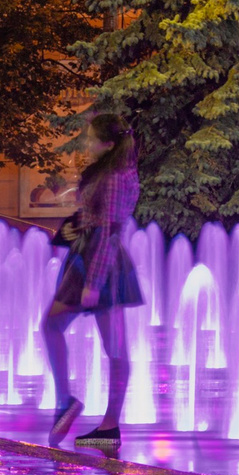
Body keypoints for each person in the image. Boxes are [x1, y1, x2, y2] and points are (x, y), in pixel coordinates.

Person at [41, 114, 145, 448]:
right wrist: (72, 228)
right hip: (90, 258)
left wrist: (94, 283)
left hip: (100, 263)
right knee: (53, 326)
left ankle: (105, 423)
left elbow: (109, 229)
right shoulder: (110, 172)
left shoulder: (115, 177)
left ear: (108, 144)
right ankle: (70, 404)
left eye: (90, 139)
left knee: (113, 348)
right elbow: (95, 219)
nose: (86, 144)